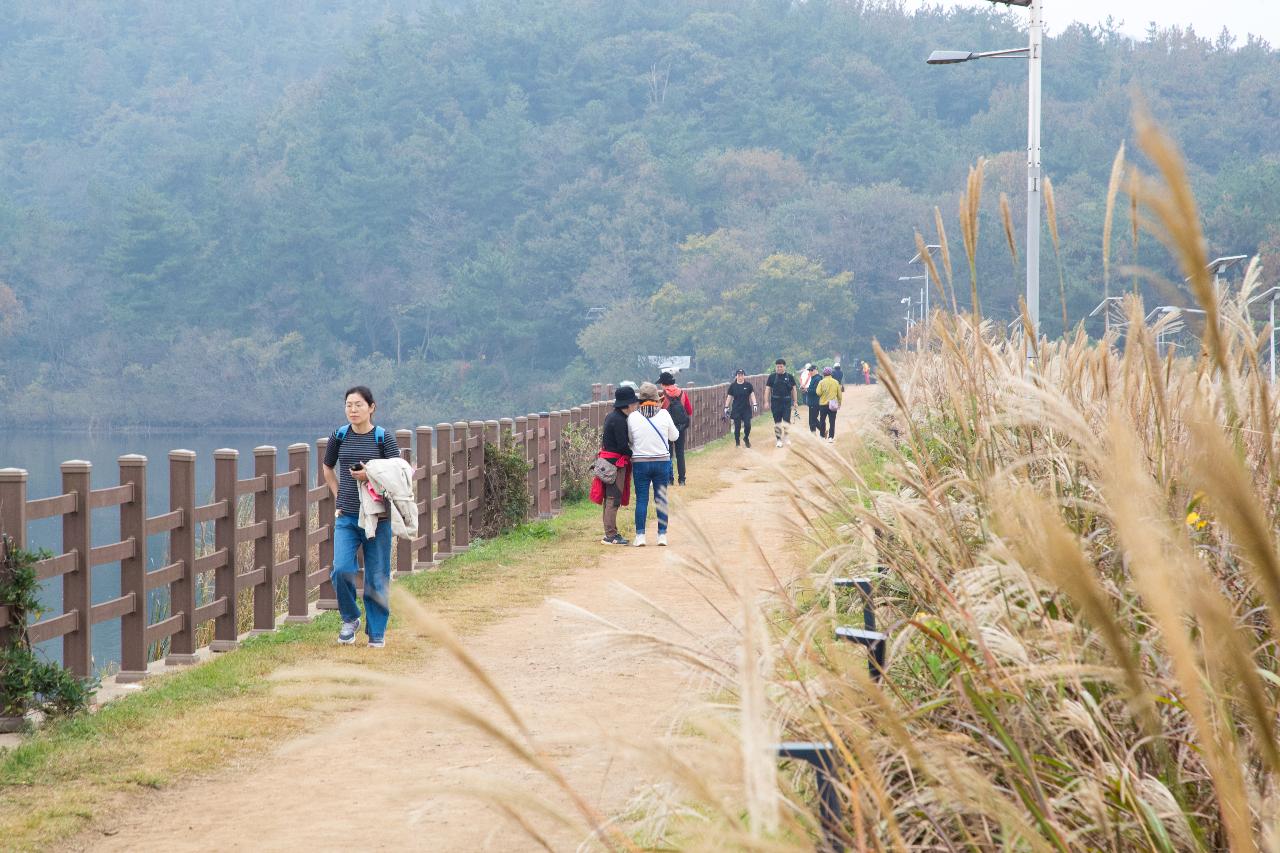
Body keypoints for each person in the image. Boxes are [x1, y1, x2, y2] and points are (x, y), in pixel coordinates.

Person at [322, 386, 401, 648]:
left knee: (377, 576)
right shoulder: (339, 436)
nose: (353, 410)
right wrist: (339, 494)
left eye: (358, 405)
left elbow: (399, 472)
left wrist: (370, 475)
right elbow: (327, 467)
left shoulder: (383, 438)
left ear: (371, 407)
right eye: (348, 405)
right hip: (347, 516)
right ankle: (350, 618)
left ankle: (376, 632)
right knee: (341, 569)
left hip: (378, 517)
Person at [627, 382, 679, 546]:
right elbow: (674, 437)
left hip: (640, 463)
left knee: (642, 499)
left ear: (640, 399)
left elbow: (629, 440)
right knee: (661, 499)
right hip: (661, 462)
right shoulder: (664, 414)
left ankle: (640, 536)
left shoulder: (633, 417)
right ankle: (662, 535)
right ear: (657, 399)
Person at [592, 385, 637, 545]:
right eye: (634, 403)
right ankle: (611, 535)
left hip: (607, 462)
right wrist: (634, 454)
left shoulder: (611, 416)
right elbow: (622, 446)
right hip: (614, 464)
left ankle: (611, 532)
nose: (636, 405)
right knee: (613, 499)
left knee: (609, 499)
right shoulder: (619, 421)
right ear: (628, 404)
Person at [658, 371, 693, 485]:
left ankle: (669, 479)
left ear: (663, 384)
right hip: (681, 427)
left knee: (668, 453)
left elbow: (658, 413)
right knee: (680, 453)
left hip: (667, 428)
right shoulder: (682, 393)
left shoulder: (662, 396)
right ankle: (682, 479)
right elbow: (689, 411)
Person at [764, 358, 798, 448]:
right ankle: (778, 439)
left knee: (786, 420)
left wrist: (795, 401)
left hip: (786, 402)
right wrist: (766, 401)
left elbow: (794, 389)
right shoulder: (772, 377)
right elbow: (767, 389)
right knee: (777, 422)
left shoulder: (790, 377)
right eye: (777, 367)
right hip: (775, 402)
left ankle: (786, 436)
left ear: (784, 367)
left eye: (781, 367)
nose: (779, 368)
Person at [723, 369, 758, 447]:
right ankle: (737, 442)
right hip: (736, 409)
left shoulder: (748, 385)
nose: (740, 377)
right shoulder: (733, 386)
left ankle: (746, 438)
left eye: (742, 375)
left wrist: (755, 404)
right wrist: (726, 407)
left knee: (748, 425)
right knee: (737, 426)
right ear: (736, 376)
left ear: (744, 376)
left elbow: (752, 395)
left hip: (746, 409)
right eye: (738, 375)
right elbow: (729, 397)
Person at [817, 367, 843, 443]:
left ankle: (822, 436)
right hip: (833, 404)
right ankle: (831, 437)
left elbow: (818, 393)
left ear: (824, 374)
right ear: (831, 373)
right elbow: (839, 394)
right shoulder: (836, 382)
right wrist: (839, 403)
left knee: (822, 420)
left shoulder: (821, 382)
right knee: (832, 421)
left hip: (823, 404)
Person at [805, 365, 824, 436]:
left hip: (815, 402)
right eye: (809, 370)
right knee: (812, 420)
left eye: (812, 370)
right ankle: (816, 433)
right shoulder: (814, 378)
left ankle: (821, 432)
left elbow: (816, 391)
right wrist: (807, 390)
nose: (810, 372)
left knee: (813, 420)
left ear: (816, 370)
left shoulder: (817, 379)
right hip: (812, 402)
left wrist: (807, 390)